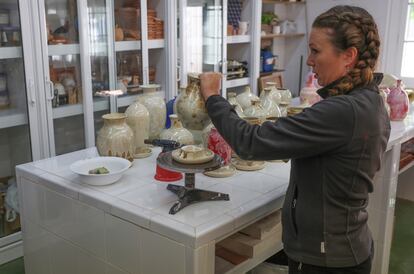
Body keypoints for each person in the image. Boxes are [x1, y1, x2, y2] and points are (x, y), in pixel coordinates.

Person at [199, 5, 390, 274]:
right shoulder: (369, 99)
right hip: (344, 247)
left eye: (316, 50)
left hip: (327, 261)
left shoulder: (343, 111)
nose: (309, 60)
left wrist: (213, 97)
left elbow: (250, 142)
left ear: (349, 56)